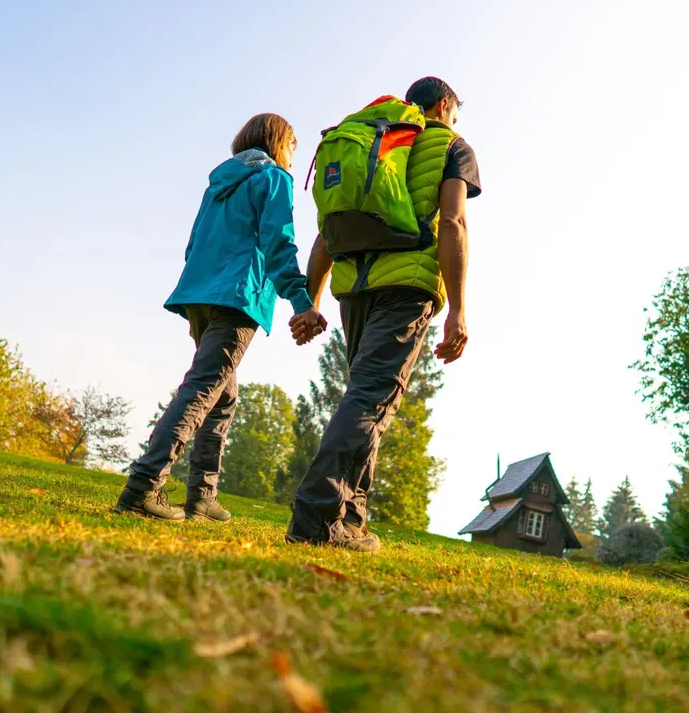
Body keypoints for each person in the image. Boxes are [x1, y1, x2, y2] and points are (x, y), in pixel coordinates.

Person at [285, 77, 481, 552]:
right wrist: (457, 308)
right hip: (408, 286)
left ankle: (350, 520)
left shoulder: (367, 137)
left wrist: (311, 302)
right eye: (456, 112)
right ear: (445, 105)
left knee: (365, 400)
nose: (456, 120)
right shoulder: (451, 145)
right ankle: (313, 520)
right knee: (371, 402)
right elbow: (452, 223)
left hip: (353, 289)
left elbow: (327, 231)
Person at [117, 113, 327, 522]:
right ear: (278, 143)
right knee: (201, 391)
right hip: (237, 297)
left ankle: (202, 497)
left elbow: (193, 243)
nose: (292, 160)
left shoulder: (218, 185)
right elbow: (278, 243)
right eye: (292, 149)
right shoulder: (274, 180)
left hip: (200, 295)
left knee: (223, 396)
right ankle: (143, 486)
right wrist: (302, 302)